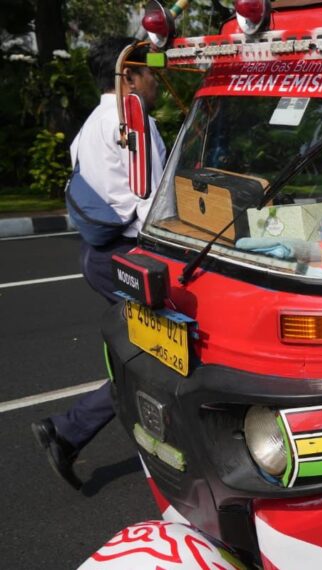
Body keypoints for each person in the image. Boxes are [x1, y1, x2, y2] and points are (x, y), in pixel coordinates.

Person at [31, 37, 164, 490]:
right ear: (128, 74)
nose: (156, 79)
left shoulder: (91, 122)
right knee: (162, 353)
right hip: (130, 256)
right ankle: (68, 430)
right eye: (150, 70)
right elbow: (151, 200)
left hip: (97, 254)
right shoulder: (132, 120)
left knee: (139, 354)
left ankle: (67, 431)